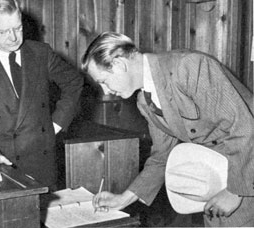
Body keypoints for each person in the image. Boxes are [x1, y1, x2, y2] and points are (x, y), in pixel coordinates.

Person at [81, 31, 254, 227]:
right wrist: (124, 199)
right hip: (216, 180)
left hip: (246, 170)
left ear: (119, 64)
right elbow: (161, 156)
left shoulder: (189, 67)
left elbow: (244, 127)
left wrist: (236, 191)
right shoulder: (144, 102)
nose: (106, 91)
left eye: (103, 81)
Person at [0, 0, 83, 191]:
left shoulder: (41, 53)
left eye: (18, 28)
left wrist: (56, 124)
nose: (14, 37)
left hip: (42, 163)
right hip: (2, 166)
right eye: (3, 32)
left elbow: (74, 83)